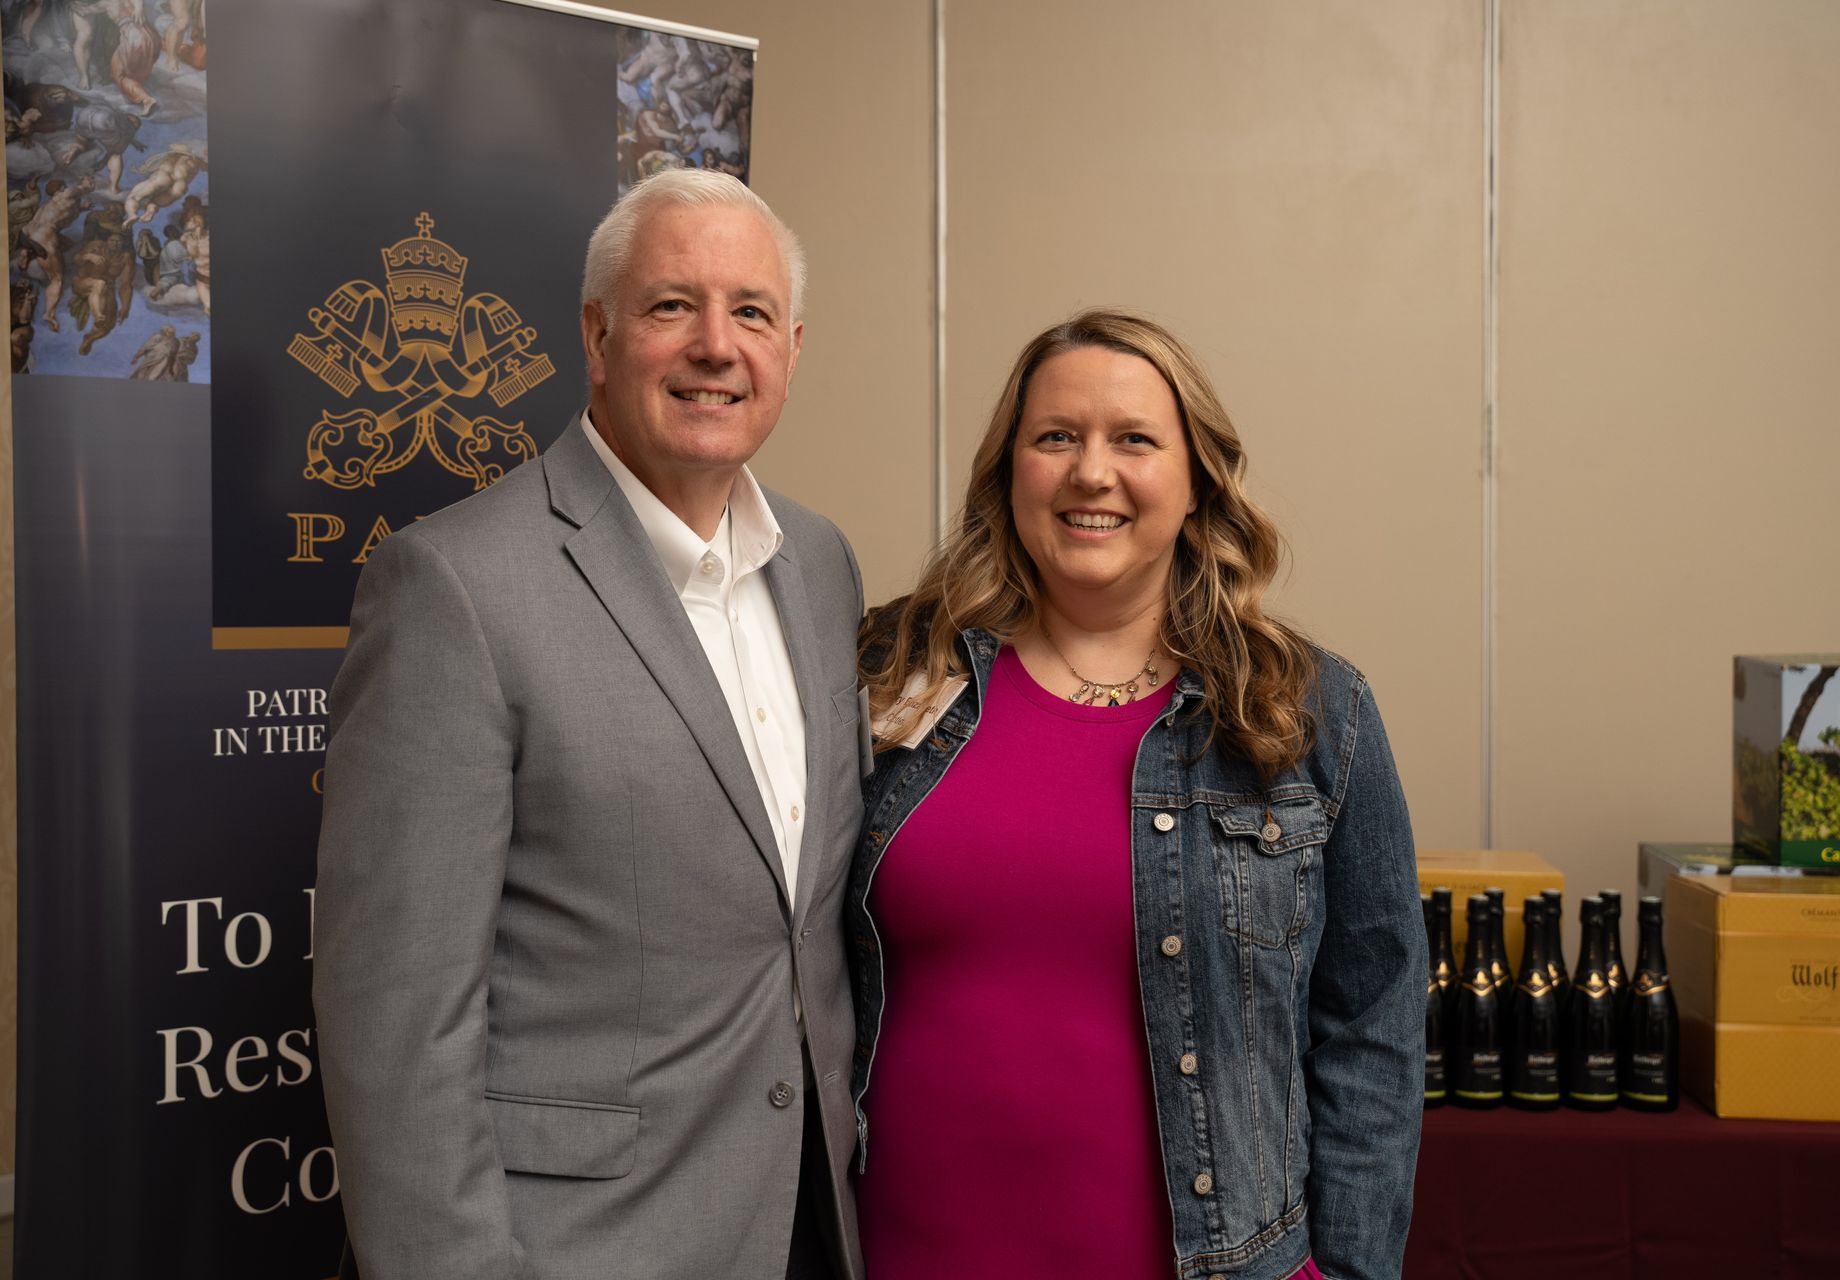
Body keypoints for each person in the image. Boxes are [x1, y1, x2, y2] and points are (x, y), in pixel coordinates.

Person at [314, 169, 870, 1280]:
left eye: (752, 312)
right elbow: (396, 1023)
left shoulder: (821, 565)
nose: (717, 346)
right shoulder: (454, 586)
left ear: (793, 348)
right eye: (672, 306)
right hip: (580, 1249)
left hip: (811, 1223)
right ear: (596, 335)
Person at [849, 311, 1425, 1279]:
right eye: (1055, 436)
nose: (1091, 472)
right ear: (1009, 471)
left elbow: (1374, 1029)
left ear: (1197, 481)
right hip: (903, 1254)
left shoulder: (1310, 711)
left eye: (1134, 440)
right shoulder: (885, 667)